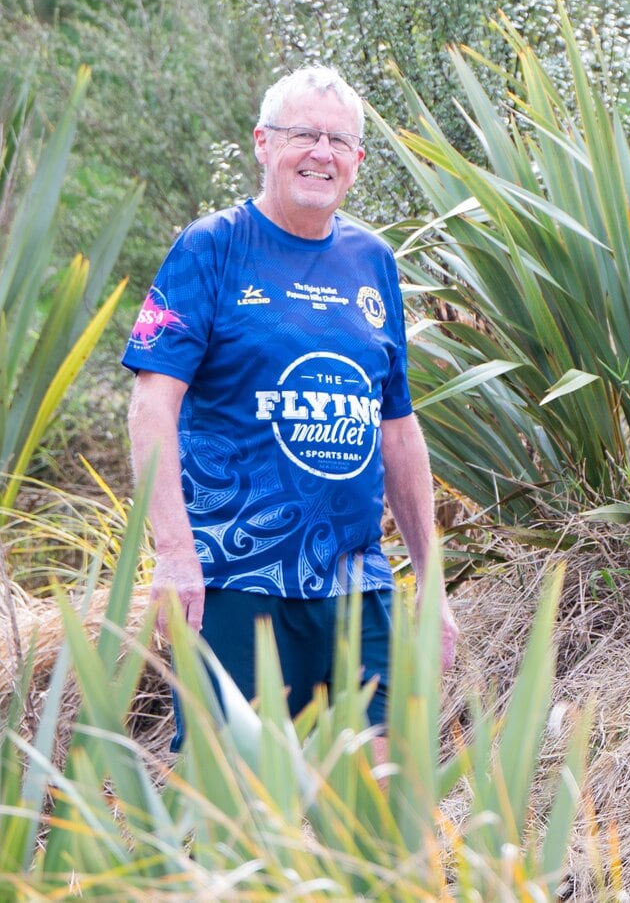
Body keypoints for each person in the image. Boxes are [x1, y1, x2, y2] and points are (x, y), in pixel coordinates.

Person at [124, 65, 458, 741]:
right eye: (303, 133)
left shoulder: (374, 262)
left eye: (339, 140)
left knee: (383, 801)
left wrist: (433, 580)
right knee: (236, 808)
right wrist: (173, 552)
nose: (321, 152)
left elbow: (397, 429)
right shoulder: (210, 248)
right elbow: (150, 404)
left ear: (358, 162)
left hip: (355, 585)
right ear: (262, 142)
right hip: (232, 582)